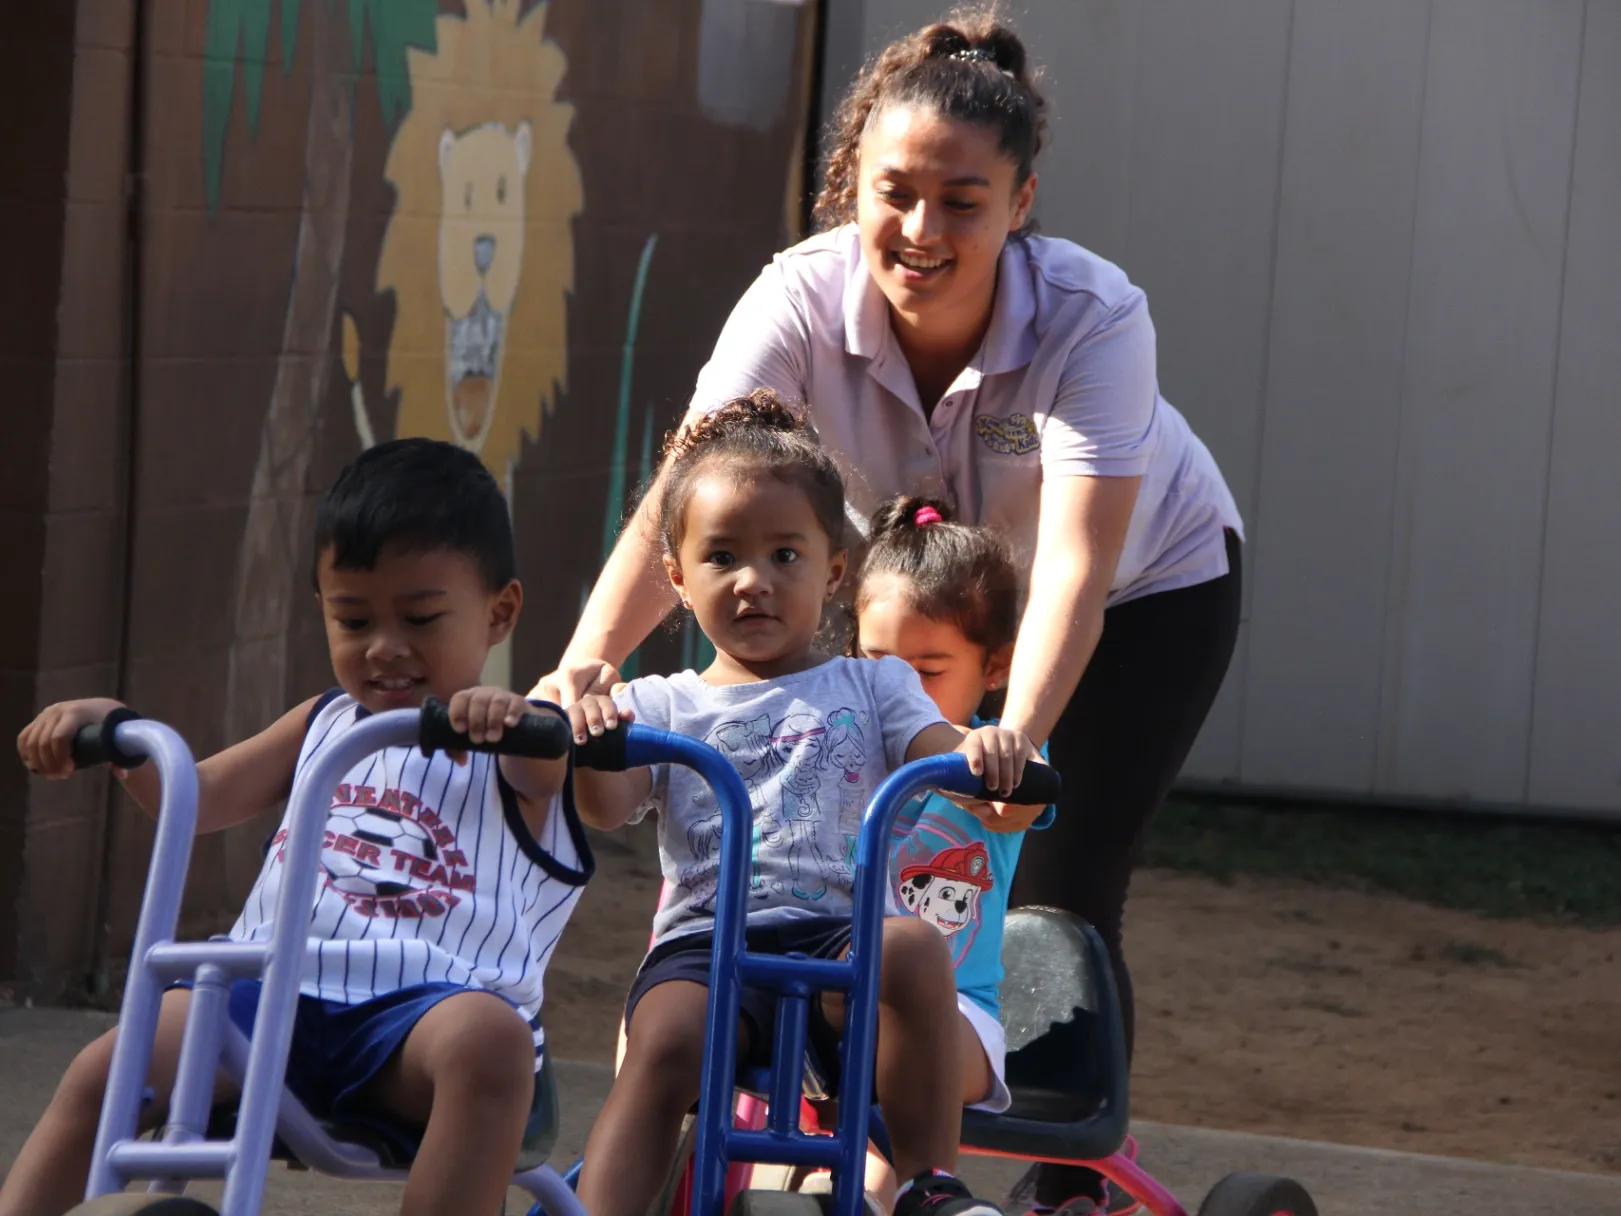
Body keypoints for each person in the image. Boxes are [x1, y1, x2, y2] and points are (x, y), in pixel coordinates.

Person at [533, 8, 1243, 1213]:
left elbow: (1073, 561)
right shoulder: (798, 303)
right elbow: (686, 505)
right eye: (893, 193)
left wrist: (1006, 741)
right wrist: (578, 673)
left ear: (1020, 204)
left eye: (962, 200)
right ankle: (797, 1122)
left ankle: (1040, 1178)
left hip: (1134, 593)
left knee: (1047, 873)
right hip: (901, 597)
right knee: (806, 837)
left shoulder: (1092, 315)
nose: (921, 231)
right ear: (848, 186)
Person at [8, 439, 592, 1216]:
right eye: (353, 619)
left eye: (420, 618)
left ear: (499, 612)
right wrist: (119, 732)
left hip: (422, 1012)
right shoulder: (323, 721)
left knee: (490, 1046)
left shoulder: (517, 741)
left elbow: (541, 774)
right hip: (266, 991)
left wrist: (510, 720)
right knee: (109, 1066)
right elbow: (202, 796)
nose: (384, 647)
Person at [560, 390, 1038, 1216]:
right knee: (665, 1040)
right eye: (721, 557)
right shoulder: (662, 703)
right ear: (675, 577)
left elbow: (937, 752)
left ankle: (930, 1185)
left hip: (839, 941)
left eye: (785, 555)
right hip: (708, 944)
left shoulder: (874, 683)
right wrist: (591, 740)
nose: (754, 582)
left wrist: (981, 751)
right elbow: (607, 807)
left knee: (915, 950)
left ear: (834, 570)